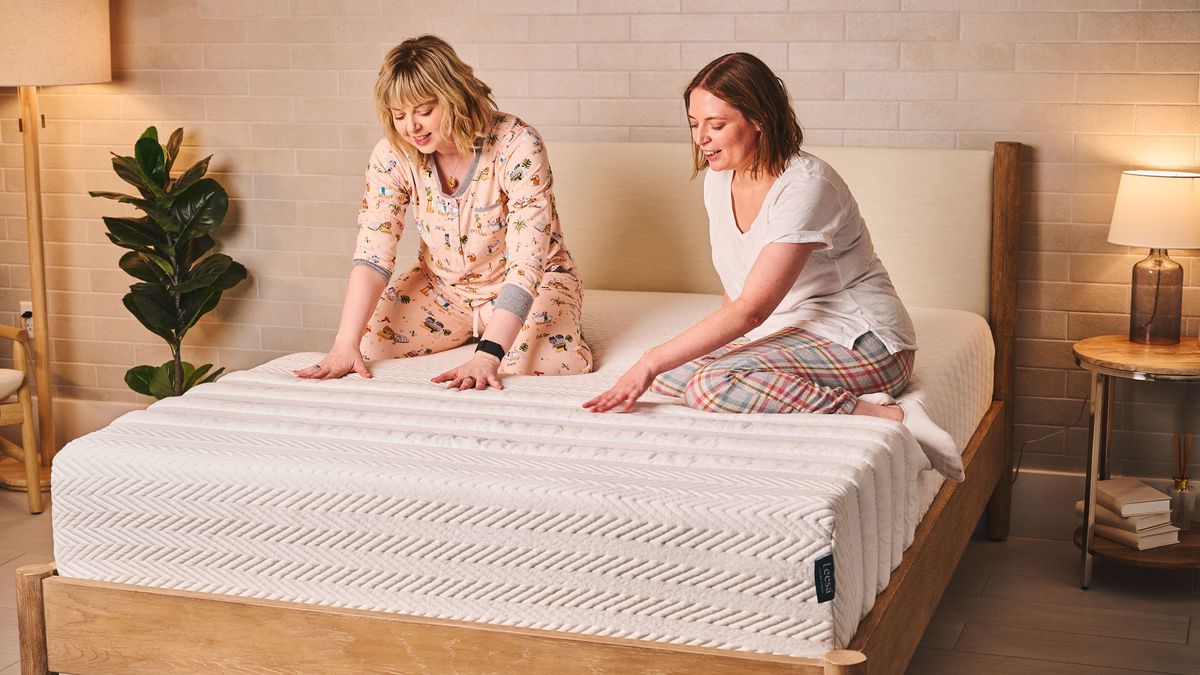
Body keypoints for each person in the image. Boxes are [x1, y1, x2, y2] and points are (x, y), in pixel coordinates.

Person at [582, 52, 961, 481]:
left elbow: (753, 309)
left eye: (717, 124)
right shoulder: (718, 178)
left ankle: (892, 416)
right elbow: (738, 290)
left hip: (865, 341)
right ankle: (847, 396)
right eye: (694, 124)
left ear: (759, 118)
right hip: (791, 332)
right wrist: (678, 362)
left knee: (708, 385)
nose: (701, 139)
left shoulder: (806, 187)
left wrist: (653, 358)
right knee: (672, 381)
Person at [296, 35, 592, 389]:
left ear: (454, 96)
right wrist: (344, 344)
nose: (411, 127)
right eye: (399, 115)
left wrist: (488, 354)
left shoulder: (517, 145)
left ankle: (508, 328)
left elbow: (528, 261)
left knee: (546, 362)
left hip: (533, 280)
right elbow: (373, 253)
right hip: (443, 289)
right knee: (369, 342)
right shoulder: (393, 155)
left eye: (424, 111)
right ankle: (469, 329)